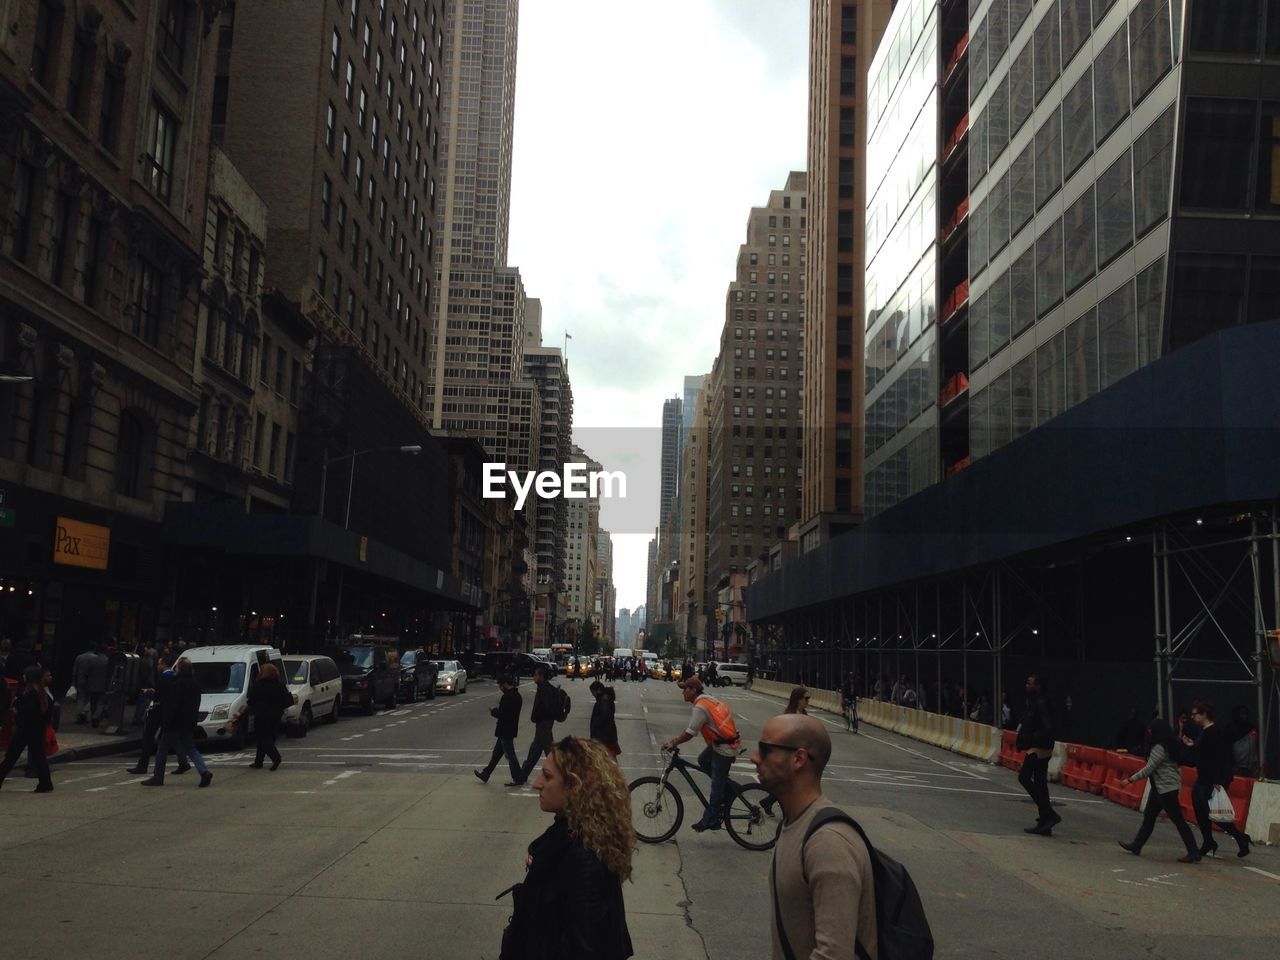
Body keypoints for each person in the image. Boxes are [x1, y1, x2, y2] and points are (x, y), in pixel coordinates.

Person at [752, 713, 876, 960]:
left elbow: (834, 955)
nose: (754, 758)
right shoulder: (794, 823)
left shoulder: (827, 843)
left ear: (798, 759)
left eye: (765, 750)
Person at [499, 736, 634, 960]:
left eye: (547, 776)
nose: (536, 783)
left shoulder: (583, 857)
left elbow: (586, 948)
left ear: (576, 786)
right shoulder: (572, 834)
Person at [661, 675, 741, 832]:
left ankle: (710, 819)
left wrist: (673, 743)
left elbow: (690, 733)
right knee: (703, 760)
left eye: (685, 689)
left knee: (717, 784)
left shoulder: (701, 706)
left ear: (694, 690)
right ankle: (731, 789)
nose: (683, 692)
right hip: (720, 743)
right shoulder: (707, 699)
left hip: (725, 747)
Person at [1117, 717, 1200, 863]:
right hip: (1160, 787)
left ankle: (1193, 851)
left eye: (1151, 729)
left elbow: (1150, 768)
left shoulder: (1160, 747)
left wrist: (1130, 780)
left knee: (1178, 820)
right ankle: (1137, 845)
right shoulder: (1167, 744)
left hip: (1166, 788)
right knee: (1149, 817)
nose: (1148, 732)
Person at [1184, 700, 1250, 858]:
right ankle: (1211, 841)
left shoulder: (1213, 732)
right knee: (1205, 811)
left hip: (1210, 780)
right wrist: (1193, 745)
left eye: (1195, 714)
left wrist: (1214, 783)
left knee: (1212, 812)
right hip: (1206, 778)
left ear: (1204, 714)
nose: (1192, 717)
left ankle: (1238, 838)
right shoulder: (1206, 732)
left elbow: (1215, 758)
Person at [143, 658, 212, 788]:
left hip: (175, 723)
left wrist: (166, 722)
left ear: (180, 669)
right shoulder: (195, 683)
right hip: (189, 722)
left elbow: (172, 705)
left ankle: (158, 777)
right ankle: (204, 772)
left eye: (178, 668)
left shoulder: (177, 683)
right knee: (190, 748)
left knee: (162, 749)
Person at [127, 656, 188, 776]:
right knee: (172, 738)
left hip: (158, 711)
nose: (157, 666)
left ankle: (143, 765)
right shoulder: (175, 677)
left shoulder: (163, 677)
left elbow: (158, 697)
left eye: (159, 664)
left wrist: (149, 693)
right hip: (170, 712)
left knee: (148, 738)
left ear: (164, 664)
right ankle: (183, 761)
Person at [0, 665, 55, 793]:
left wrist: (17, 709)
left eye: (25, 674)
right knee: (39, 756)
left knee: (11, 756)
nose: (23, 676)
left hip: (25, 729)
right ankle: (45, 783)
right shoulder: (43, 693)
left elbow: (26, 711)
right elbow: (47, 713)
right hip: (38, 729)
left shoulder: (29, 693)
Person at [1017, 675, 1060, 836]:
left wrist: (1030, 738)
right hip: (1041, 746)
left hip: (1038, 748)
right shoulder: (1037, 702)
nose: (1027, 686)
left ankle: (1049, 813)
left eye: (1030, 684)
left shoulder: (1041, 703)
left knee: (1024, 777)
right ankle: (1045, 822)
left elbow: (1047, 727)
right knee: (1040, 782)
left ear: (1038, 687)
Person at [244, 662, 294, 770]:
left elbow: (251, 701)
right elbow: (286, 701)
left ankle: (275, 757)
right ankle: (258, 761)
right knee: (270, 737)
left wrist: (245, 712)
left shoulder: (259, 685)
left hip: (262, 715)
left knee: (262, 738)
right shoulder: (280, 685)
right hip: (276, 715)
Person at [513, 664, 557, 786]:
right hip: (542, 724)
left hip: (544, 724)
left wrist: (537, 716)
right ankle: (522, 776)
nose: (534, 677)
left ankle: (560, 776)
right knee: (535, 751)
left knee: (549, 753)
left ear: (541, 676)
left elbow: (546, 707)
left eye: (535, 675)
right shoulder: (544, 687)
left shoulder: (544, 689)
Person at [476, 674, 523, 784]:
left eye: (501, 686)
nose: (500, 688)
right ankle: (486, 773)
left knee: (510, 755)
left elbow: (503, 714)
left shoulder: (508, 696)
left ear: (505, 684)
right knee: (496, 754)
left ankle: (518, 777)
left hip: (505, 730)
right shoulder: (517, 695)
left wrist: (494, 711)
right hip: (509, 729)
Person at [1225, 705, 1260, 778]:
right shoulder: (1230, 729)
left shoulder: (1253, 728)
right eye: (1241, 714)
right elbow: (1226, 749)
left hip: (1253, 768)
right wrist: (1231, 765)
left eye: (1245, 714)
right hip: (1238, 768)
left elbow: (1258, 746)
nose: (1244, 716)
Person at [589, 679, 620, 759]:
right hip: (607, 735)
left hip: (605, 736)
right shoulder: (604, 699)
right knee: (609, 757)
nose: (593, 695)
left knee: (607, 758)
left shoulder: (604, 700)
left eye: (593, 692)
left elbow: (604, 716)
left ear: (598, 690)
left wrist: (596, 729)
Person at [71, 645, 97, 724]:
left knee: (80, 699)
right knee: (90, 699)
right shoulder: (95, 658)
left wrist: (73, 682)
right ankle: (84, 713)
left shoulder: (79, 657)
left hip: (80, 680)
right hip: (91, 681)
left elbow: (75, 670)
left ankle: (79, 716)